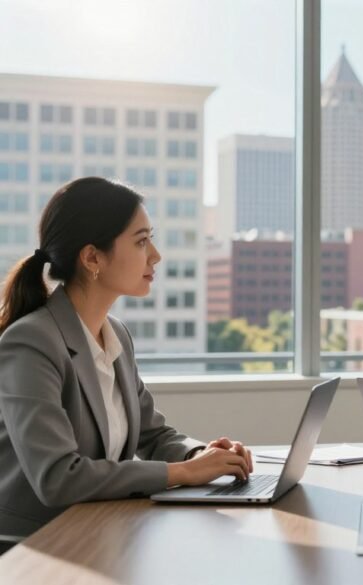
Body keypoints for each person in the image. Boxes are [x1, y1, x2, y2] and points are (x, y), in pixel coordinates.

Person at [0, 177, 254, 541]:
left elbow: (153, 435)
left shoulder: (114, 333)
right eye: (141, 241)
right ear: (92, 257)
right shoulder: (31, 342)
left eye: (151, 239)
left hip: (99, 531)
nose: (155, 256)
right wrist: (183, 474)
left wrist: (203, 454)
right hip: (34, 546)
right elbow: (58, 478)